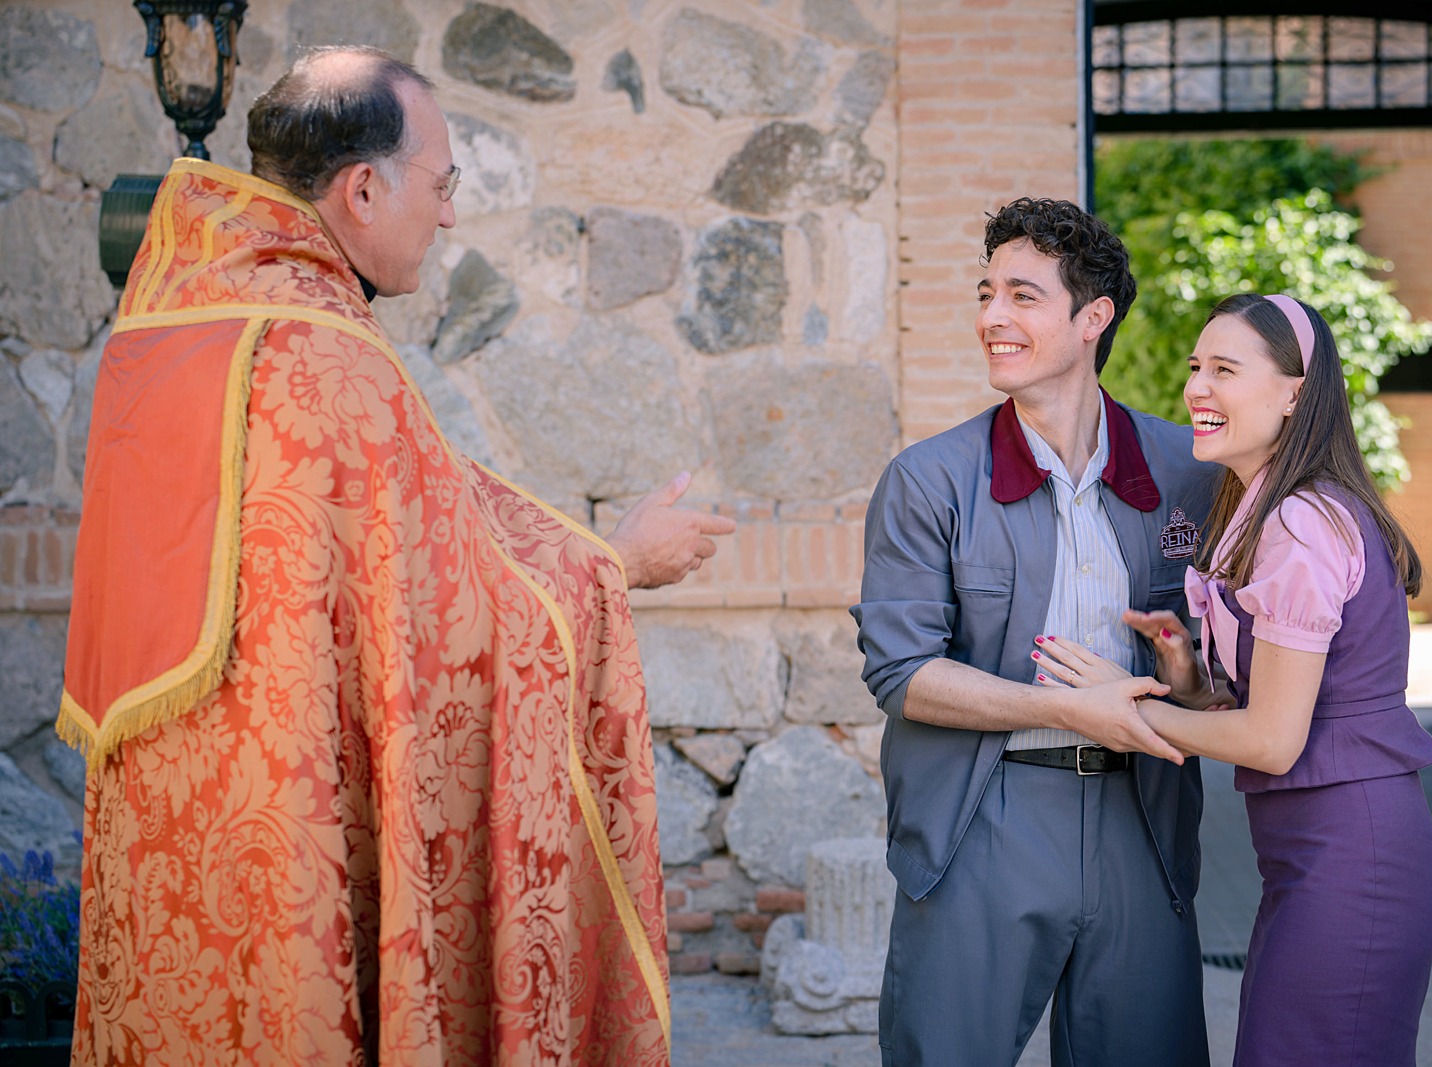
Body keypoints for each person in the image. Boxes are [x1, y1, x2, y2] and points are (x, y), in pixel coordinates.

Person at [58, 46, 731, 1064]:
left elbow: (427, 536)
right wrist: (617, 563)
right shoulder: (328, 357)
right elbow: (451, 612)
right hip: (300, 839)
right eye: (443, 183)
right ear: (363, 188)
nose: (450, 213)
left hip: (178, 847)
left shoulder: (161, 332)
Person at [849, 196, 1216, 1066]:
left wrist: (1189, 674)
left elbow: (1223, 669)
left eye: (1021, 295)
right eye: (986, 293)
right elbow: (901, 671)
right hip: (985, 818)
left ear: (1094, 318)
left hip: (1143, 819)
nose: (991, 318)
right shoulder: (928, 479)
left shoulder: (1188, 473)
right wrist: (1071, 709)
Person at [1037, 293, 1432, 1065]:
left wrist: (1124, 712)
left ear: (1296, 391)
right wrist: (1190, 680)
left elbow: (1271, 738)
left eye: (1225, 369)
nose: (1198, 387)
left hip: (1351, 858)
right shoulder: (1272, 509)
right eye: (1196, 367)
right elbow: (1275, 708)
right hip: (1323, 856)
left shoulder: (1299, 523)